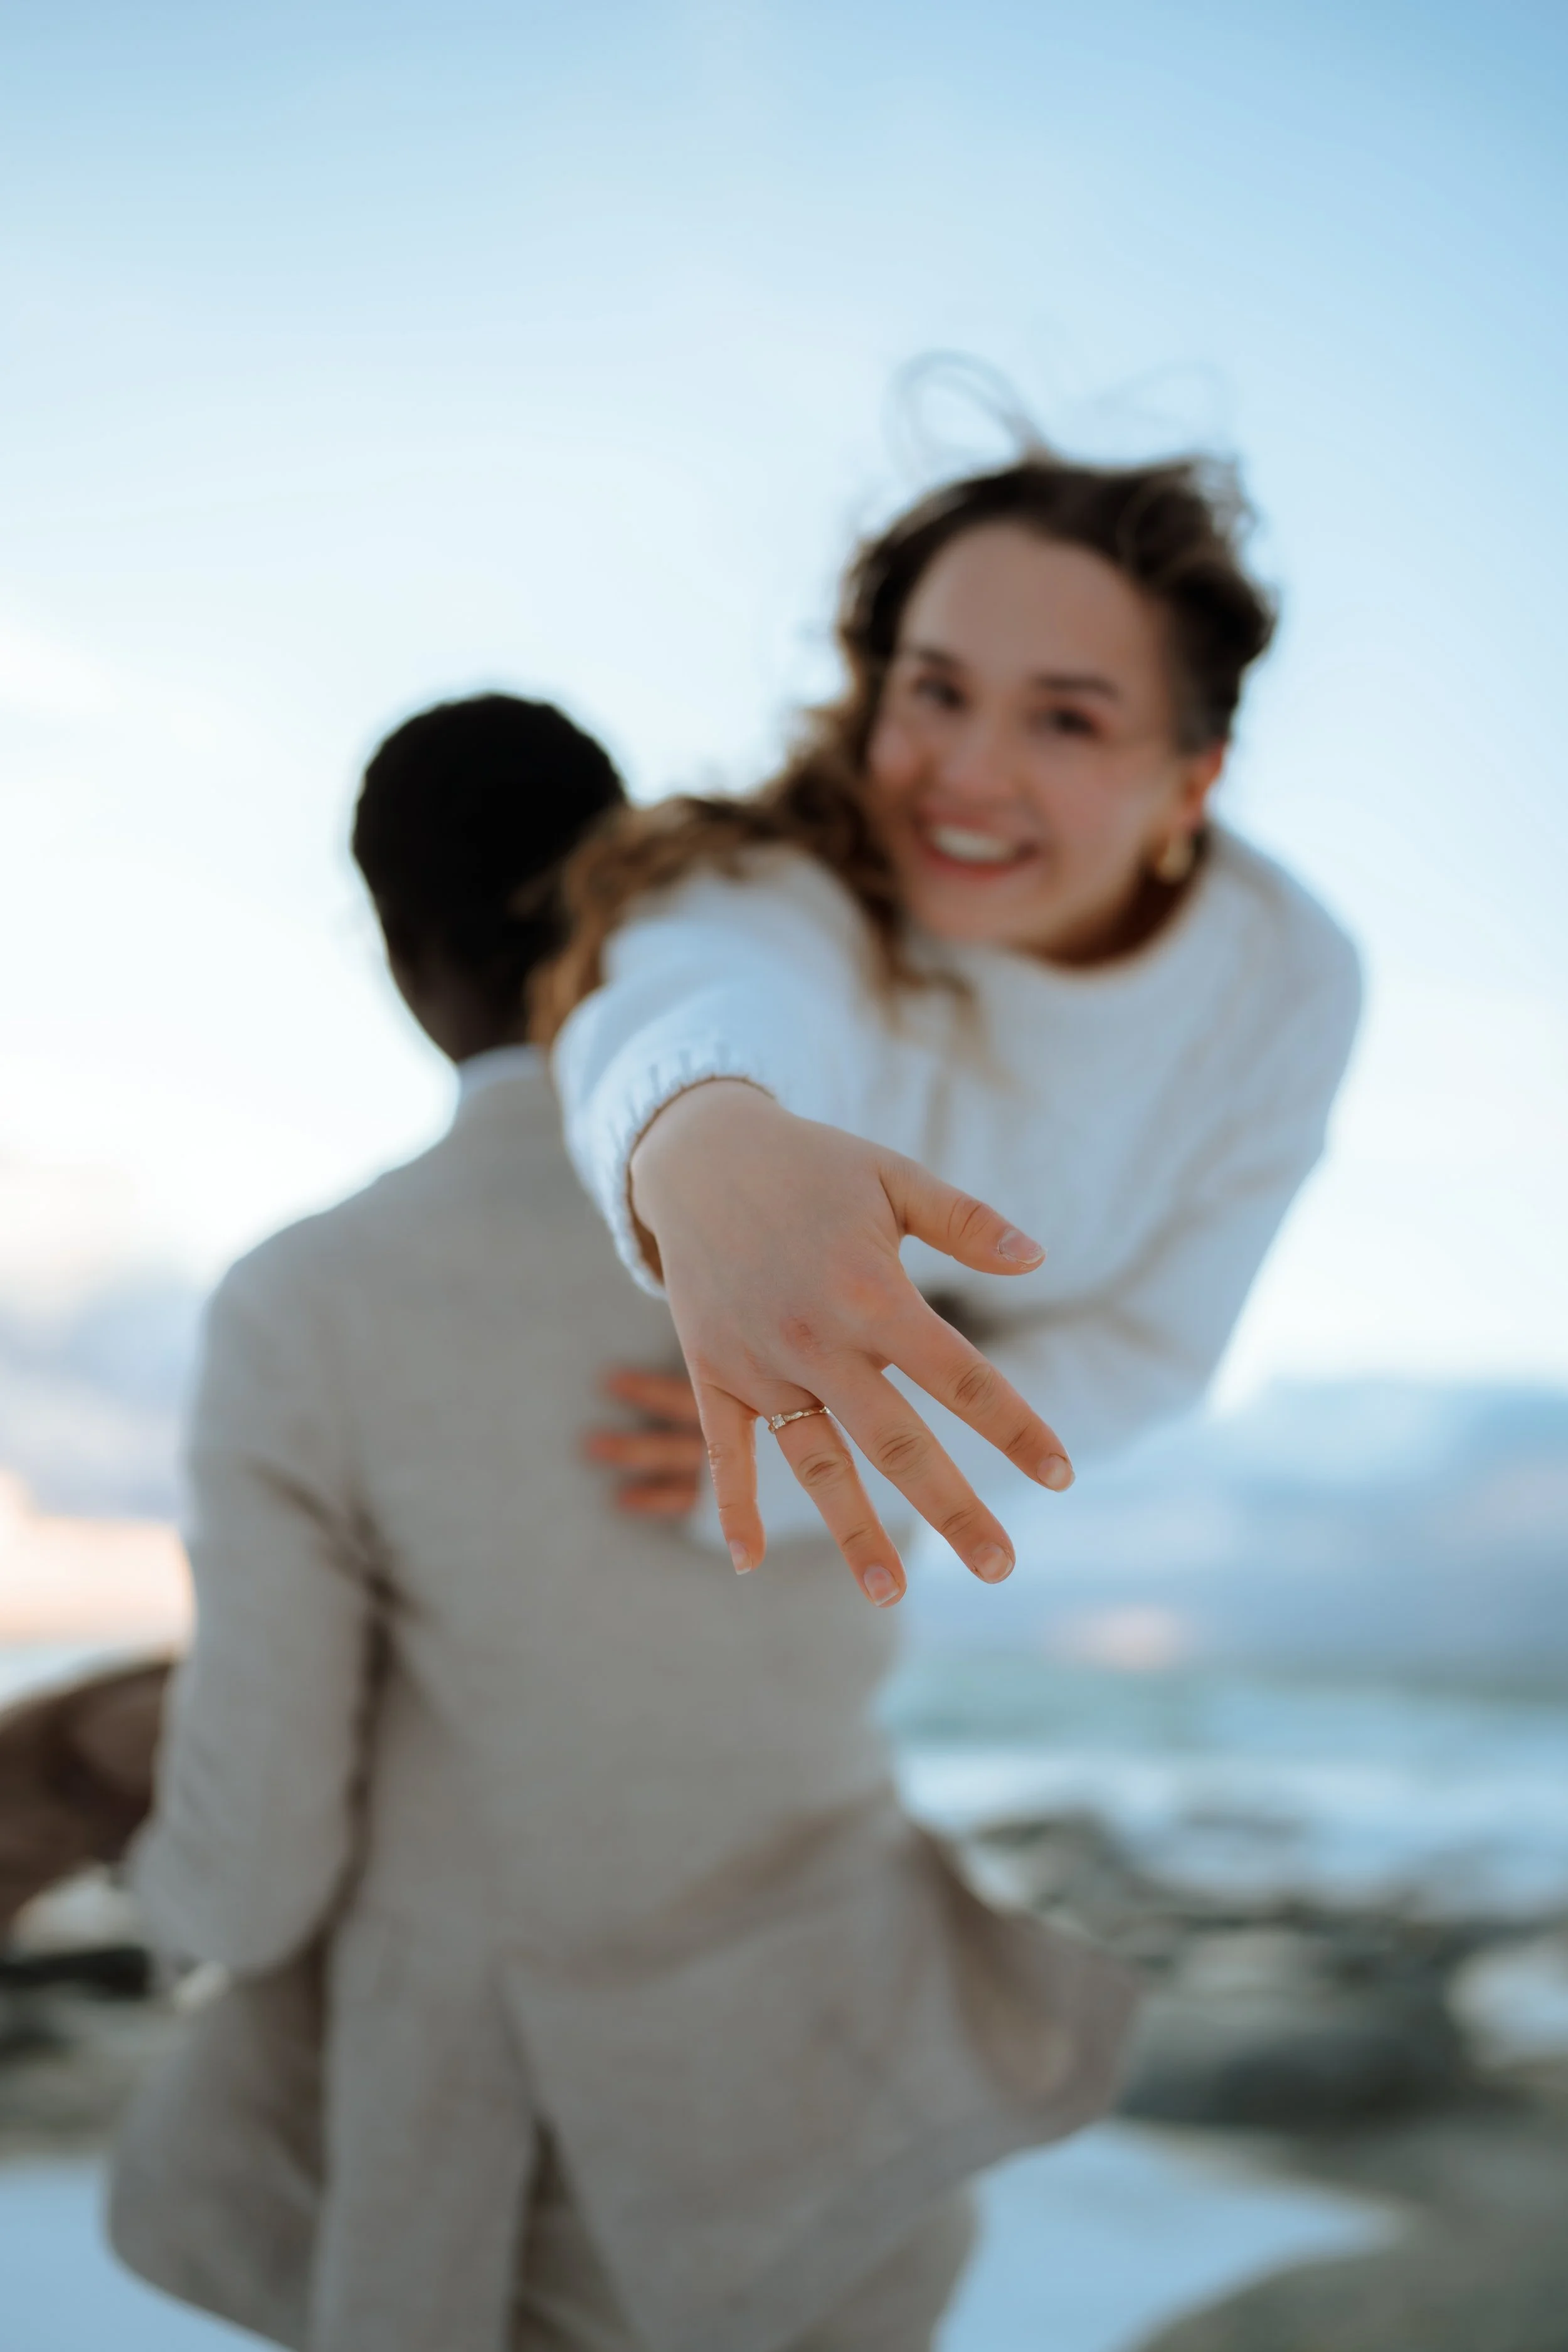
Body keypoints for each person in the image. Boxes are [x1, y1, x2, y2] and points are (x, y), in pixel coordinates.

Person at [109, 692, 1134, 2352]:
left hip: (509, 2197)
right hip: (837, 2111)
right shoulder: (853, 1220)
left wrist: (129, 1860)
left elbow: (254, 1875)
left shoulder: (310, 1301)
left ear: (388, 938)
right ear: (632, 893)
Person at [543, 448, 1363, 1604]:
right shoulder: (792, 881)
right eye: (936, 690)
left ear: (1190, 783)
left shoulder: (1285, 981)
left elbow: (1150, 1346)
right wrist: (704, 1125)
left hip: (832, 1509)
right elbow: (706, 978)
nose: (969, 774)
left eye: (1067, 720)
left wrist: (809, 1471)